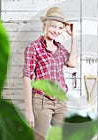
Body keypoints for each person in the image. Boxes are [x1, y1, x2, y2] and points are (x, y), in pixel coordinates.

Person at [22, 7, 77, 140]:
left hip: (60, 102)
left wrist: (73, 37)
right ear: (44, 24)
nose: (56, 31)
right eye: (53, 26)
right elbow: (27, 78)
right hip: (42, 102)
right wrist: (29, 111)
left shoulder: (60, 49)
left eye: (59, 28)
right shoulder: (34, 47)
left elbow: (72, 63)